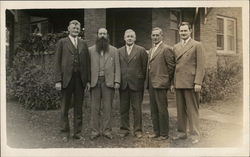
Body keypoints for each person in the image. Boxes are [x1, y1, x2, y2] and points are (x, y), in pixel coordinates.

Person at [55, 20, 90, 142]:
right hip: (66, 79)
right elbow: (57, 63)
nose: (75, 29)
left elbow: (87, 64)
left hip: (80, 80)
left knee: (78, 107)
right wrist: (58, 80)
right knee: (64, 107)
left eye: (77, 27)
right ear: (68, 29)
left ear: (80, 29)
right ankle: (65, 132)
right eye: (73, 27)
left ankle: (77, 133)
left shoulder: (83, 43)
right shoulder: (62, 42)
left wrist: (88, 81)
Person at [171, 22, 205, 144]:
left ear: (190, 31)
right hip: (178, 82)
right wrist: (172, 82)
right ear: (179, 32)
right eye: (181, 31)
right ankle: (181, 133)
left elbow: (201, 66)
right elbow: (173, 66)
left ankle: (195, 134)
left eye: (185, 30)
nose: (183, 33)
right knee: (180, 110)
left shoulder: (197, 45)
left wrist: (198, 82)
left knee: (192, 110)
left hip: (191, 83)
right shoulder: (175, 47)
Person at [88, 28, 120, 140]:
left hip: (108, 83)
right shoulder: (90, 50)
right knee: (94, 108)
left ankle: (107, 131)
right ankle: (95, 131)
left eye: (104, 33)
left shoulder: (114, 50)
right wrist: (88, 81)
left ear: (107, 36)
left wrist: (117, 81)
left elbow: (117, 67)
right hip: (95, 82)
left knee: (108, 108)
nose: (102, 35)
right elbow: (87, 68)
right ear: (97, 35)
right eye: (100, 33)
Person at [146, 27, 175, 141]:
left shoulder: (166, 49)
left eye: (157, 35)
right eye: (153, 35)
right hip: (152, 84)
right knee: (153, 109)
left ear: (162, 36)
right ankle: (156, 132)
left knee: (162, 109)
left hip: (161, 84)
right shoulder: (151, 49)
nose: (155, 37)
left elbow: (171, 67)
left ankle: (164, 133)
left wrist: (167, 82)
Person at [118, 29, 148, 138]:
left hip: (137, 84)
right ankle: (124, 129)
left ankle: (138, 130)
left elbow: (145, 68)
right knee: (124, 108)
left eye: (131, 36)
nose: (129, 38)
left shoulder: (141, 50)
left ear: (135, 38)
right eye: (128, 36)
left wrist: (142, 81)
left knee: (137, 108)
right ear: (124, 38)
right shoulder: (119, 51)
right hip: (123, 84)